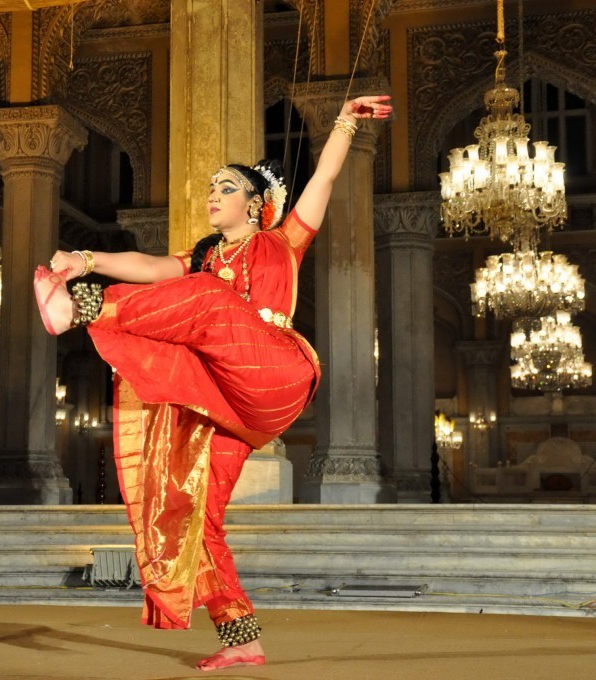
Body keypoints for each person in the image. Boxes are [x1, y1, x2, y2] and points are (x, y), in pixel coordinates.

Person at [36, 94, 392, 671]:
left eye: (226, 187)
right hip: (226, 397)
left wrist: (346, 123)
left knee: (205, 295)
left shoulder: (283, 240)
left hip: (276, 369)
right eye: (210, 188)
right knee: (198, 517)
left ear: (256, 203)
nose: (212, 195)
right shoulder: (204, 257)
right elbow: (151, 268)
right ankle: (240, 635)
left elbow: (324, 177)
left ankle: (82, 309)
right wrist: (85, 258)